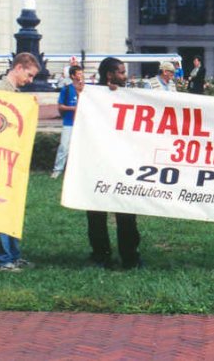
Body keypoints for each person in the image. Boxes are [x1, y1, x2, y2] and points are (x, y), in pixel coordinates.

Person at [87, 57, 143, 269]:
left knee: (126, 212)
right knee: (96, 213)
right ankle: (101, 255)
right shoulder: (93, 97)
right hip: (99, 163)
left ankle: (130, 256)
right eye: (121, 72)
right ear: (109, 75)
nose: (124, 76)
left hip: (122, 164)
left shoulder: (128, 96)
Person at [0, 52, 41, 271]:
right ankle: (2, 259)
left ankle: (12, 255)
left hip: (10, 159)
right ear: (18, 68)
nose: (30, 80)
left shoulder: (14, 93)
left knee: (12, 208)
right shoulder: (1, 91)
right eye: (29, 75)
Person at [51, 65, 85, 179]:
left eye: (82, 73)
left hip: (82, 123)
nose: (81, 76)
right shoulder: (66, 89)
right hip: (69, 122)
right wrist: (73, 109)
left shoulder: (86, 89)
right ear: (72, 76)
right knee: (64, 147)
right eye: (79, 74)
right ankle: (57, 170)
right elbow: (60, 106)